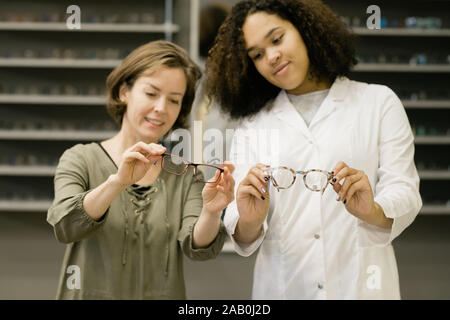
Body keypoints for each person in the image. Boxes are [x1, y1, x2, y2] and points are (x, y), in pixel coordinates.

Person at [205, 0, 422, 299]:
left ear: (306, 29)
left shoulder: (378, 102)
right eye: (257, 54)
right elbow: (241, 233)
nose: (272, 56)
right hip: (283, 289)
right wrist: (250, 218)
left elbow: (406, 191)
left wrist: (372, 210)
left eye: (277, 39)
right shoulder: (253, 126)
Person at [47, 40, 235, 299]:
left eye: (174, 100)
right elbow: (66, 225)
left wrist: (212, 212)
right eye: (151, 93)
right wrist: (117, 182)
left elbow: (198, 247)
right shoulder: (80, 158)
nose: (161, 108)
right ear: (124, 91)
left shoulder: (186, 174)